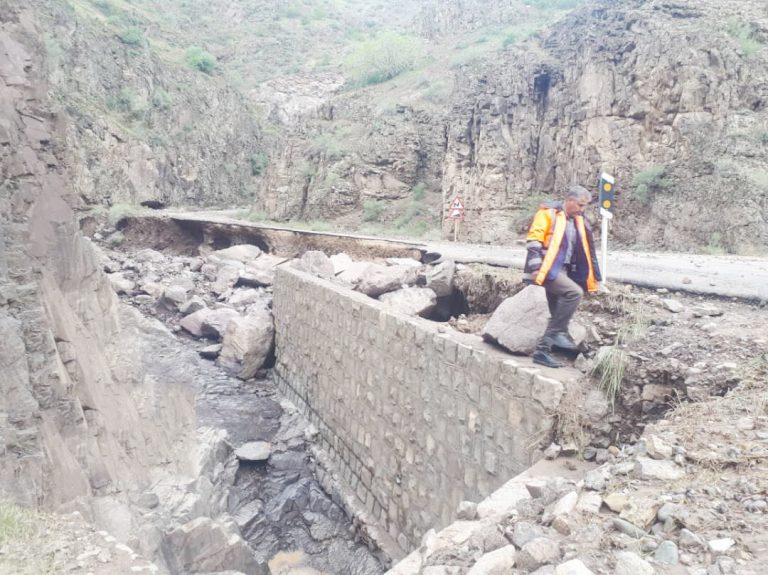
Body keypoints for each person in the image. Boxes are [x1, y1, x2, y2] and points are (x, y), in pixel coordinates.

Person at [523, 184, 602, 368]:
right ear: (569, 200)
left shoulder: (577, 220)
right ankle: (558, 334)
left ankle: (542, 351)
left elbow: (588, 250)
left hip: (564, 269)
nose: (583, 210)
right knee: (574, 293)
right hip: (547, 269)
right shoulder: (548, 213)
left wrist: (594, 275)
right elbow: (534, 240)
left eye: (585, 206)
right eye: (580, 205)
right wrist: (535, 267)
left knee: (557, 311)